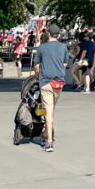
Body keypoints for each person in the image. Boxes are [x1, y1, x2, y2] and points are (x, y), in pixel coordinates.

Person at [33, 24, 69, 153]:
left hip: (46, 81)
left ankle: (49, 141)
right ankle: (45, 133)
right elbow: (65, 63)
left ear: (48, 34)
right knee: (52, 109)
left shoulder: (42, 47)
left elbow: (36, 65)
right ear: (58, 35)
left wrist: (37, 76)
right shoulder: (63, 47)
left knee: (49, 111)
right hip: (59, 82)